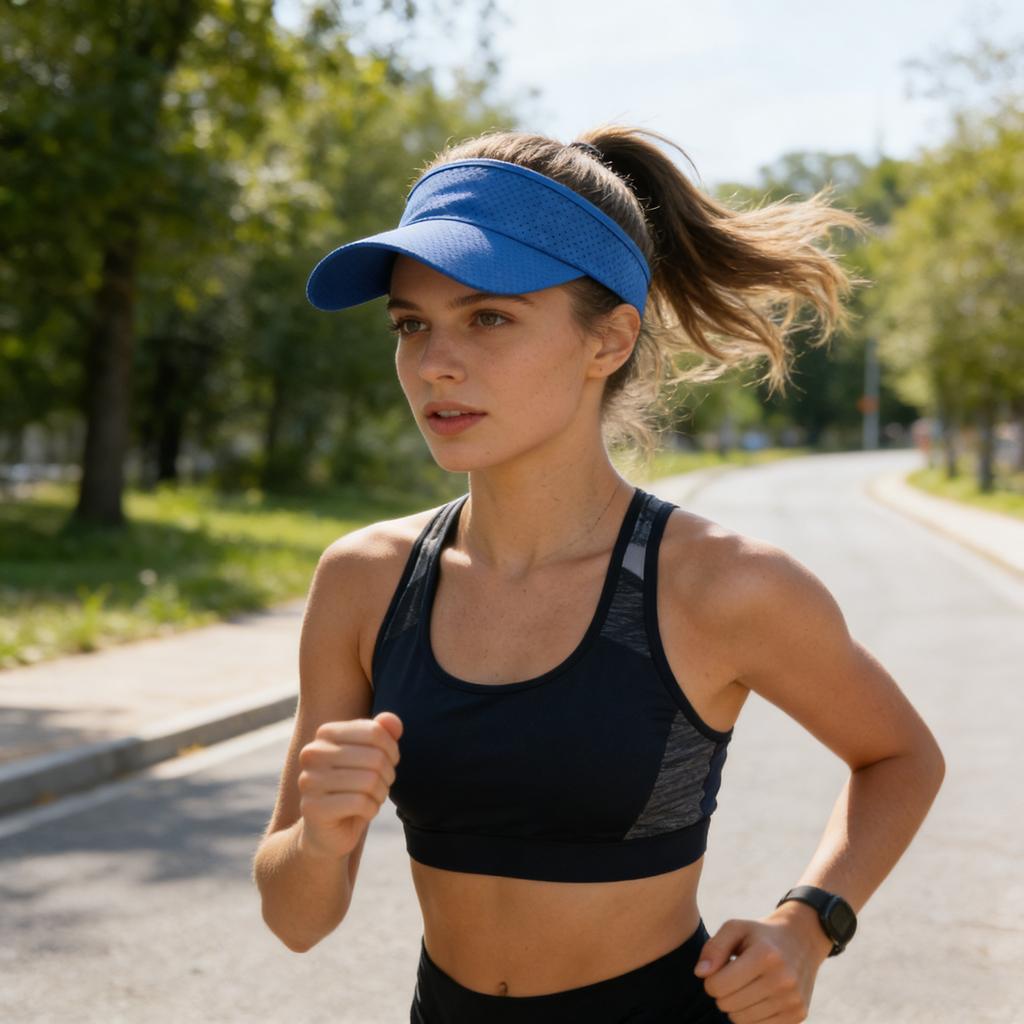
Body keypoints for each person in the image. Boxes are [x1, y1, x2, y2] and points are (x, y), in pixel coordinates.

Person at [252, 125, 946, 1023]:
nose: (435, 363)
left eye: (488, 317)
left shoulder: (722, 585)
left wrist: (808, 924)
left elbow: (900, 756)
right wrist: (319, 833)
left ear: (608, 340)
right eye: (411, 324)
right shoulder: (365, 580)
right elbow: (294, 920)